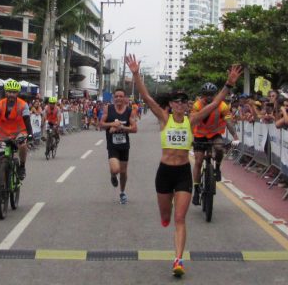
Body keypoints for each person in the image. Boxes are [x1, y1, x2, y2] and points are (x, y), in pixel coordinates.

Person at [128, 54, 242, 278]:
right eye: (176, 101)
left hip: (182, 174)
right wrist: (135, 75)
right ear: (170, 104)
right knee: (166, 217)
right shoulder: (164, 118)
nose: (180, 104)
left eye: (184, 101)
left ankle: (178, 260)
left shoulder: (192, 119)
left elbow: (217, 103)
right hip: (164, 173)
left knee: (180, 219)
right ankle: (165, 214)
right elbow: (147, 97)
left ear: (188, 104)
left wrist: (229, 83)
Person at [190, 81, 237, 205]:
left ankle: (217, 167)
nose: (209, 97)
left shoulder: (222, 106)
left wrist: (236, 137)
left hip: (215, 134)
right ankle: (196, 190)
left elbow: (229, 123)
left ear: (216, 94)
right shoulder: (197, 105)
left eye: (211, 94)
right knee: (198, 161)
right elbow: (192, 122)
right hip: (200, 135)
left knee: (220, 149)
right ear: (202, 95)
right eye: (206, 94)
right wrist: (190, 138)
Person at [0, 79, 34, 180]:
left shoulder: (23, 104)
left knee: (22, 145)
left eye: (14, 92)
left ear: (17, 93)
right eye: (9, 92)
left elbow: (26, 119)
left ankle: (22, 166)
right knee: (4, 156)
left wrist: (30, 133)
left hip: (19, 132)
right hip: (3, 133)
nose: (11, 94)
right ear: (6, 92)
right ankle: (3, 180)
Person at [99, 88, 138, 204]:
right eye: (116, 96)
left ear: (125, 98)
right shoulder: (108, 109)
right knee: (116, 169)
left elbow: (135, 129)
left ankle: (122, 192)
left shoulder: (129, 111)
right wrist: (112, 124)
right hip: (112, 145)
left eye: (121, 96)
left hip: (124, 146)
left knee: (123, 172)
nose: (118, 98)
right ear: (113, 98)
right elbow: (100, 124)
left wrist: (122, 128)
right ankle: (112, 174)